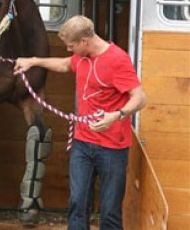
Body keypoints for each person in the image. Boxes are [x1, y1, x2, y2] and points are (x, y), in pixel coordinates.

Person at [14, 15, 146, 230]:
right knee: (76, 204)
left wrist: (118, 115)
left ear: (85, 41)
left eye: (71, 45)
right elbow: (66, 64)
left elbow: (140, 98)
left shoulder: (117, 60)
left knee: (110, 211)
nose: (68, 49)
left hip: (112, 147)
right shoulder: (82, 57)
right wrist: (33, 61)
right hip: (82, 143)